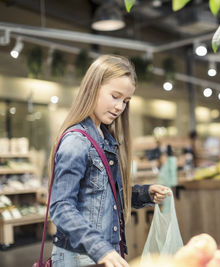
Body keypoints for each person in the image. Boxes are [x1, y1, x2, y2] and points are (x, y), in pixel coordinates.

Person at [49, 55, 170, 267]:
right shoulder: (77, 140)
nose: (119, 107)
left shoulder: (106, 139)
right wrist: (100, 248)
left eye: (125, 101)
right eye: (115, 96)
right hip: (81, 258)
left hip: (104, 254)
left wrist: (145, 193)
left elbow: (106, 195)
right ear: (93, 87)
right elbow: (61, 207)